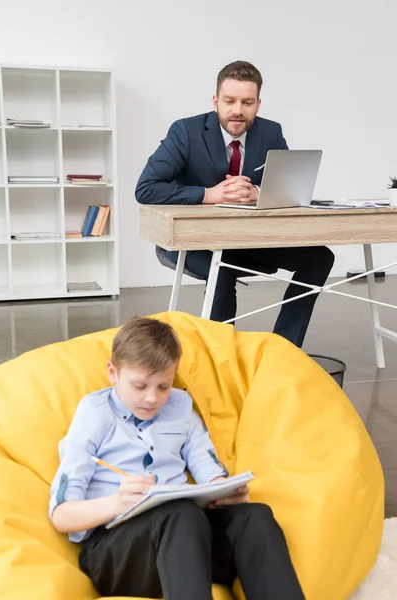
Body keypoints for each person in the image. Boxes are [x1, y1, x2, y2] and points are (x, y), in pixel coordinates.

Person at [50, 317, 305, 600]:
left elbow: (205, 463)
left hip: (186, 544)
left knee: (254, 517)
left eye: (163, 386)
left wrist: (224, 492)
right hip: (117, 555)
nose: (152, 398)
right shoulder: (95, 414)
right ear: (113, 372)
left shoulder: (181, 408)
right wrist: (118, 502)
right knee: (179, 514)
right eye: (139, 386)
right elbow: (62, 516)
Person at [135, 60, 334, 348]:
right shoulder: (185, 132)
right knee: (222, 265)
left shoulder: (271, 132)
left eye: (247, 102)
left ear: (258, 104)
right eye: (229, 101)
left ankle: (284, 349)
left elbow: (288, 189)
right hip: (193, 242)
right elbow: (146, 188)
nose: (237, 110)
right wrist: (209, 194)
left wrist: (257, 191)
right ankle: (220, 356)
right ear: (216, 101)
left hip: (247, 239)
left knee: (321, 258)